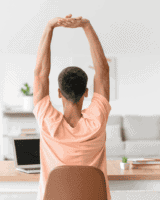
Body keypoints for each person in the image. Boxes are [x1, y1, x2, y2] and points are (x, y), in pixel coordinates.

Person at [33, 14, 111, 200]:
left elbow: (40, 74)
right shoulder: (97, 122)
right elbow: (103, 72)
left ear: (59, 93)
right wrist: (86, 26)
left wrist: (49, 27)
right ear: (86, 92)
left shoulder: (47, 121)